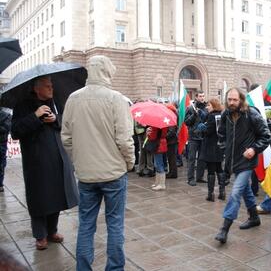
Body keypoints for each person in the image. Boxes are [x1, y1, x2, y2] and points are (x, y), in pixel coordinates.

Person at [61, 55, 135, 270]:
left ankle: (83, 267)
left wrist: (79, 159)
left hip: (86, 175)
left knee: (86, 225)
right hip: (113, 173)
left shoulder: (73, 99)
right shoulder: (116, 99)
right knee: (115, 224)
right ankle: (114, 268)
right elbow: (124, 139)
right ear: (107, 72)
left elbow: (66, 137)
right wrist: (129, 162)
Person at [11, 76, 79, 250]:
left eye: (51, 86)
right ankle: (40, 235)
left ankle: (52, 231)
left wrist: (55, 119)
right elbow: (16, 131)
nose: (51, 89)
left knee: (56, 194)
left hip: (57, 157)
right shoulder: (23, 105)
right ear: (36, 88)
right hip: (37, 159)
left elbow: (67, 122)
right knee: (40, 196)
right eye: (47, 86)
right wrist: (36, 116)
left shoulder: (55, 102)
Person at [214, 88, 271, 244]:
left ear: (241, 100)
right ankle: (254, 217)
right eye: (229, 99)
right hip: (232, 161)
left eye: (235, 100)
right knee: (245, 190)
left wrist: (254, 149)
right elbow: (221, 135)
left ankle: (224, 229)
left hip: (247, 161)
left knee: (235, 193)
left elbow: (266, 135)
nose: (231, 102)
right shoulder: (226, 114)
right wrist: (224, 148)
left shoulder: (251, 113)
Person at [199, 98, 225, 201]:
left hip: (210, 146)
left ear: (214, 106)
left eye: (209, 105)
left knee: (211, 171)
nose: (207, 107)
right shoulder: (221, 115)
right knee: (219, 168)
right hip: (219, 146)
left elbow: (209, 131)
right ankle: (222, 192)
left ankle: (211, 194)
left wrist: (203, 128)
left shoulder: (211, 116)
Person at [184, 91, 208, 186]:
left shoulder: (207, 108)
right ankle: (190, 178)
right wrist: (194, 114)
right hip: (193, 137)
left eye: (203, 96)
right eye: (200, 96)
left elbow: (208, 119)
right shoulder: (190, 108)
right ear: (196, 97)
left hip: (203, 136)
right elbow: (186, 122)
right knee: (191, 158)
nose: (202, 98)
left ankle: (199, 177)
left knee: (202, 159)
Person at [147, 126, 168, 191]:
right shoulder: (164, 124)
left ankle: (161, 184)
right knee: (159, 164)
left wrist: (148, 133)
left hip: (157, 145)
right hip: (162, 143)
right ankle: (158, 182)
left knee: (159, 165)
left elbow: (153, 137)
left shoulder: (155, 125)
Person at [165, 104, 178, 179]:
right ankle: (172, 172)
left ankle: (173, 173)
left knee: (172, 158)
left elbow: (171, 131)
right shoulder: (172, 117)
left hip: (171, 141)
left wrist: (164, 137)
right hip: (172, 141)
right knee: (171, 158)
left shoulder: (172, 118)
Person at [0, 108, 11, 192]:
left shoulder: (6, 115)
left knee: (1, 164)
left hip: (2, 143)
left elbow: (8, 128)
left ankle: (0, 184)